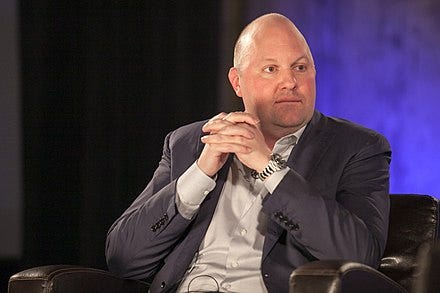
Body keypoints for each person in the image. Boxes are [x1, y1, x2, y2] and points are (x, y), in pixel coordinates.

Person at [106, 13, 391, 292]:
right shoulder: (189, 142)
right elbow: (122, 259)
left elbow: (360, 258)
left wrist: (269, 167)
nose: (290, 81)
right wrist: (200, 172)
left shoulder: (357, 148)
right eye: (271, 69)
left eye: (300, 67)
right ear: (237, 82)